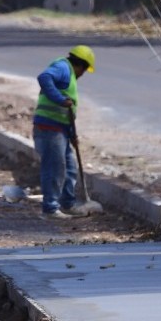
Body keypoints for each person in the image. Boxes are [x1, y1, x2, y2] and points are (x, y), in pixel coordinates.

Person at [33, 45, 96, 219]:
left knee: (69, 168)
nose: (83, 75)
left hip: (60, 130)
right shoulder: (63, 67)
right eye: (84, 70)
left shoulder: (69, 74)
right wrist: (60, 99)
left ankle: (67, 204)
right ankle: (50, 208)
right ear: (81, 65)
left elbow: (67, 112)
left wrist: (71, 135)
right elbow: (44, 77)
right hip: (48, 129)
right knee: (54, 168)